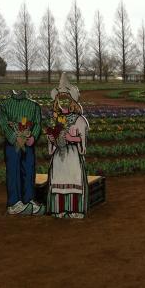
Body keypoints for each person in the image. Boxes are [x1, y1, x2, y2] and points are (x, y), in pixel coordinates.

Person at [46, 73, 89, 219]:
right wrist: (52, 139)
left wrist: (73, 138)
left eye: (66, 101)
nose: (63, 104)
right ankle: (60, 210)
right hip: (59, 156)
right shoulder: (56, 120)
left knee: (73, 179)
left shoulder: (79, 120)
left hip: (73, 156)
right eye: (60, 101)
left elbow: (83, 140)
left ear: (72, 102)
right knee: (59, 180)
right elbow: (51, 142)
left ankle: (75, 210)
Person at [0, 90, 45, 215]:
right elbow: (3, 124)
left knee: (29, 171)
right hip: (12, 144)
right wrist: (14, 138)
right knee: (13, 171)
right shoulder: (4, 104)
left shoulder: (34, 105)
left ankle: (28, 200)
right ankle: (14, 203)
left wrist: (33, 137)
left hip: (28, 143)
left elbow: (37, 123)